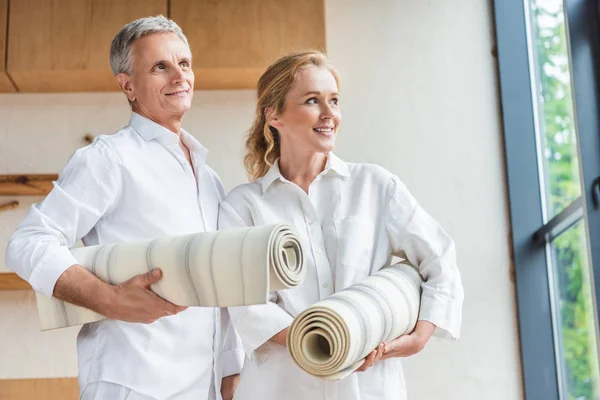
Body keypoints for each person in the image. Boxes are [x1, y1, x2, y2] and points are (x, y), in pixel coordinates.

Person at [6, 16, 241, 400]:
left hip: (204, 386)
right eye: (159, 67)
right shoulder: (109, 158)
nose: (179, 76)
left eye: (184, 63)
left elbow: (216, 284)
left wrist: (230, 370)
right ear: (128, 85)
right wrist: (109, 299)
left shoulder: (209, 177)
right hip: (133, 383)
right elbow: (28, 243)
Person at [218, 50, 464, 400]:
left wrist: (419, 336)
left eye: (334, 100)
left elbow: (440, 259)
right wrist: (327, 343)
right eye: (312, 100)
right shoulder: (243, 206)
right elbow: (245, 304)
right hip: (282, 389)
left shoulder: (376, 185)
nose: (329, 113)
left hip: (371, 387)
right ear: (274, 115)